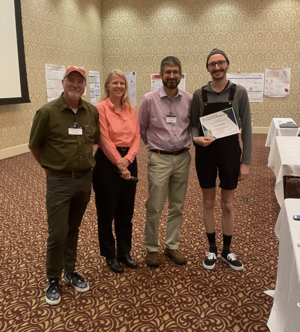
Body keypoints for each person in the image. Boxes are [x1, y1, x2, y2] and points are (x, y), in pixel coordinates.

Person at [29, 66, 101, 305]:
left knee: (73, 228)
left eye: (80, 82)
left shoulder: (91, 111)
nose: (76, 85)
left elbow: (96, 140)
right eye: (71, 80)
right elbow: (34, 146)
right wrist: (49, 168)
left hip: (84, 179)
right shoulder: (46, 112)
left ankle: (70, 271)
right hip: (59, 181)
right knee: (57, 231)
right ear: (63, 82)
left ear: (84, 86)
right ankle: (53, 279)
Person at [191, 49, 252, 271]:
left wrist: (246, 161)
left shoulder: (240, 92)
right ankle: (212, 249)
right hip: (205, 154)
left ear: (227, 64)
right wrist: (195, 139)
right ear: (207, 68)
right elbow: (194, 124)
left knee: (227, 204)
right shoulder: (199, 94)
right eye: (212, 64)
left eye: (220, 63)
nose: (217, 67)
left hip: (230, 153)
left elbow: (247, 129)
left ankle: (227, 250)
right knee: (208, 202)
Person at [138, 56, 192, 267]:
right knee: (155, 205)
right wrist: (154, 147)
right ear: (161, 75)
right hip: (159, 158)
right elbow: (141, 128)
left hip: (182, 157)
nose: (171, 76)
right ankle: (152, 248)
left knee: (177, 205)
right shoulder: (149, 100)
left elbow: (192, 126)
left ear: (180, 74)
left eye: (175, 72)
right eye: (168, 72)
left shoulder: (188, 99)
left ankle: (172, 245)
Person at [92, 69, 140, 273]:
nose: (119, 86)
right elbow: (103, 138)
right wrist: (120, 164)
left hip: (129, 160)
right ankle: (109, 254)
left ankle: (124, 252)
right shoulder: (100, 108)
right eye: (115, 83)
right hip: (105, 163)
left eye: (122, 83)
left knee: (126, 210)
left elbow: (137, 136)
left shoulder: (131, 108)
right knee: (106, 210)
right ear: (107, 86)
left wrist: (128, 160)